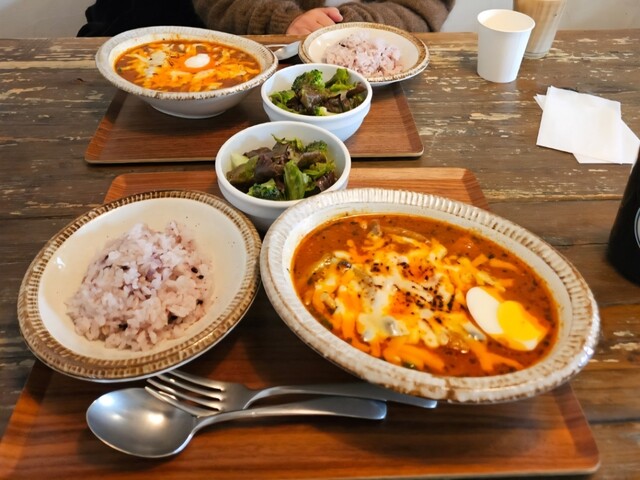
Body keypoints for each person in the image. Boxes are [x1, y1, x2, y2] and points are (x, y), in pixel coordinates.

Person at [191, 0, 456, 35]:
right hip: (253, 70)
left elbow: (427, 7)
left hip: (390, 78)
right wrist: (282, 19)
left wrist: (354, 22)